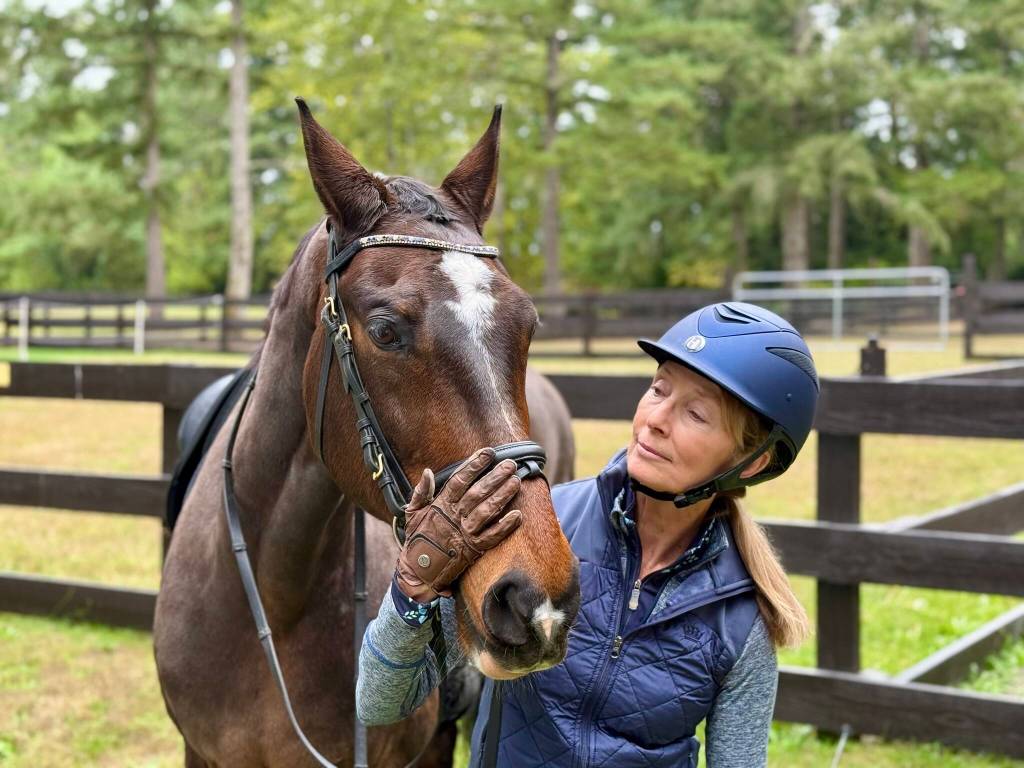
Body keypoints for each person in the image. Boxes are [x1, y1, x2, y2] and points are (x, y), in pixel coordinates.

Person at [356, 302, 818, 768]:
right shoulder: (536, 534)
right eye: (659, 390)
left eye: (696, 414)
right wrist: (411, 590)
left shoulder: (741, 618)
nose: (656, 418)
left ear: (752, 461)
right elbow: (379, 703)